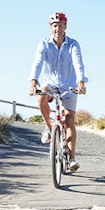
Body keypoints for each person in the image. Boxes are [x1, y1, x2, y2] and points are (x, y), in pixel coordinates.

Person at [28, 12, 88, 171]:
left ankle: (72, 158)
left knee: (69, 119)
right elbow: (37, 63)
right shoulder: (44, 44)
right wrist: (33, 81)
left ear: (65, 26)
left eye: (61, 26)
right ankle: (49, 127)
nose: (58, 29)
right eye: (55, 26)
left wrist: (81, 82)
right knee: (42, 94)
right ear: (51, 27)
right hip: (50, 84)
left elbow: (78, 63)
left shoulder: (73, 44)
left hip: (69, 86)